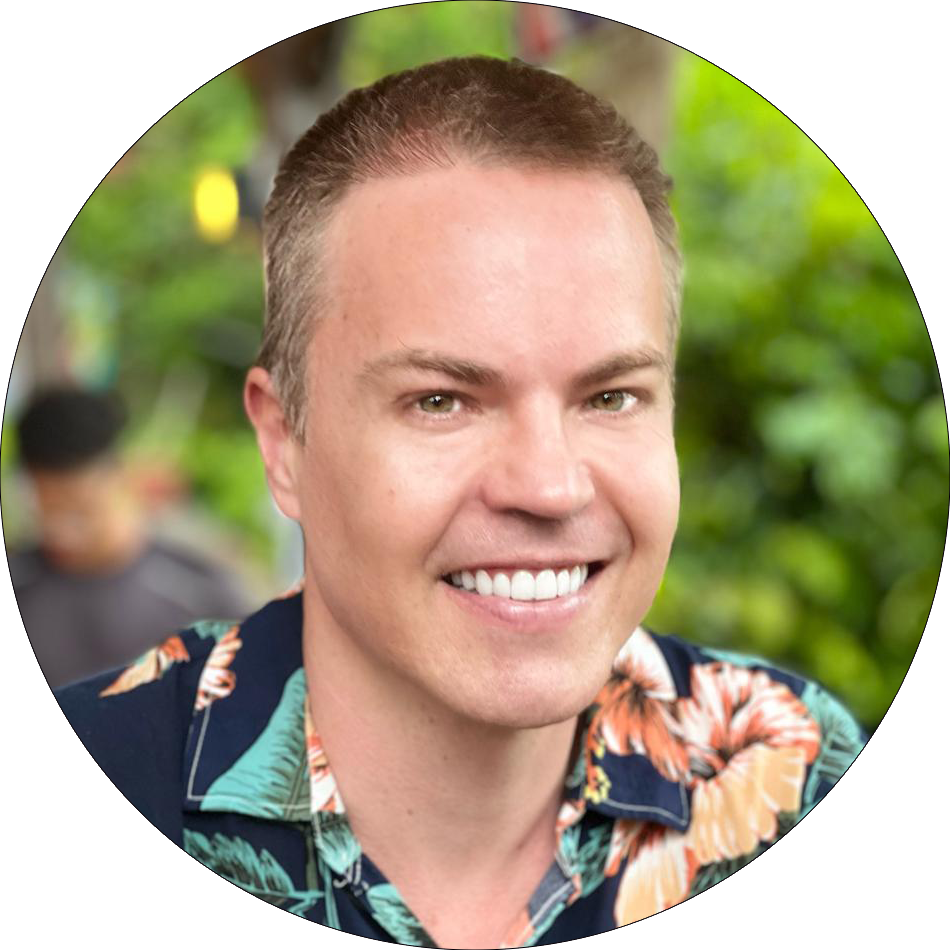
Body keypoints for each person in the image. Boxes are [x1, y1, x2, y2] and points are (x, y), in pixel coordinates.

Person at [54, 56, 868, 945]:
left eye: (611, 397)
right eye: (441, 401)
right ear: (284, 443)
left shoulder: (795, 772)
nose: (549, 486)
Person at [10, 385, 252, 690]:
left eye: (79, 510)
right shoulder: (22, 582)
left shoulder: (201, 593)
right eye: (48, 510)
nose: (64, 533)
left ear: (121, 476)